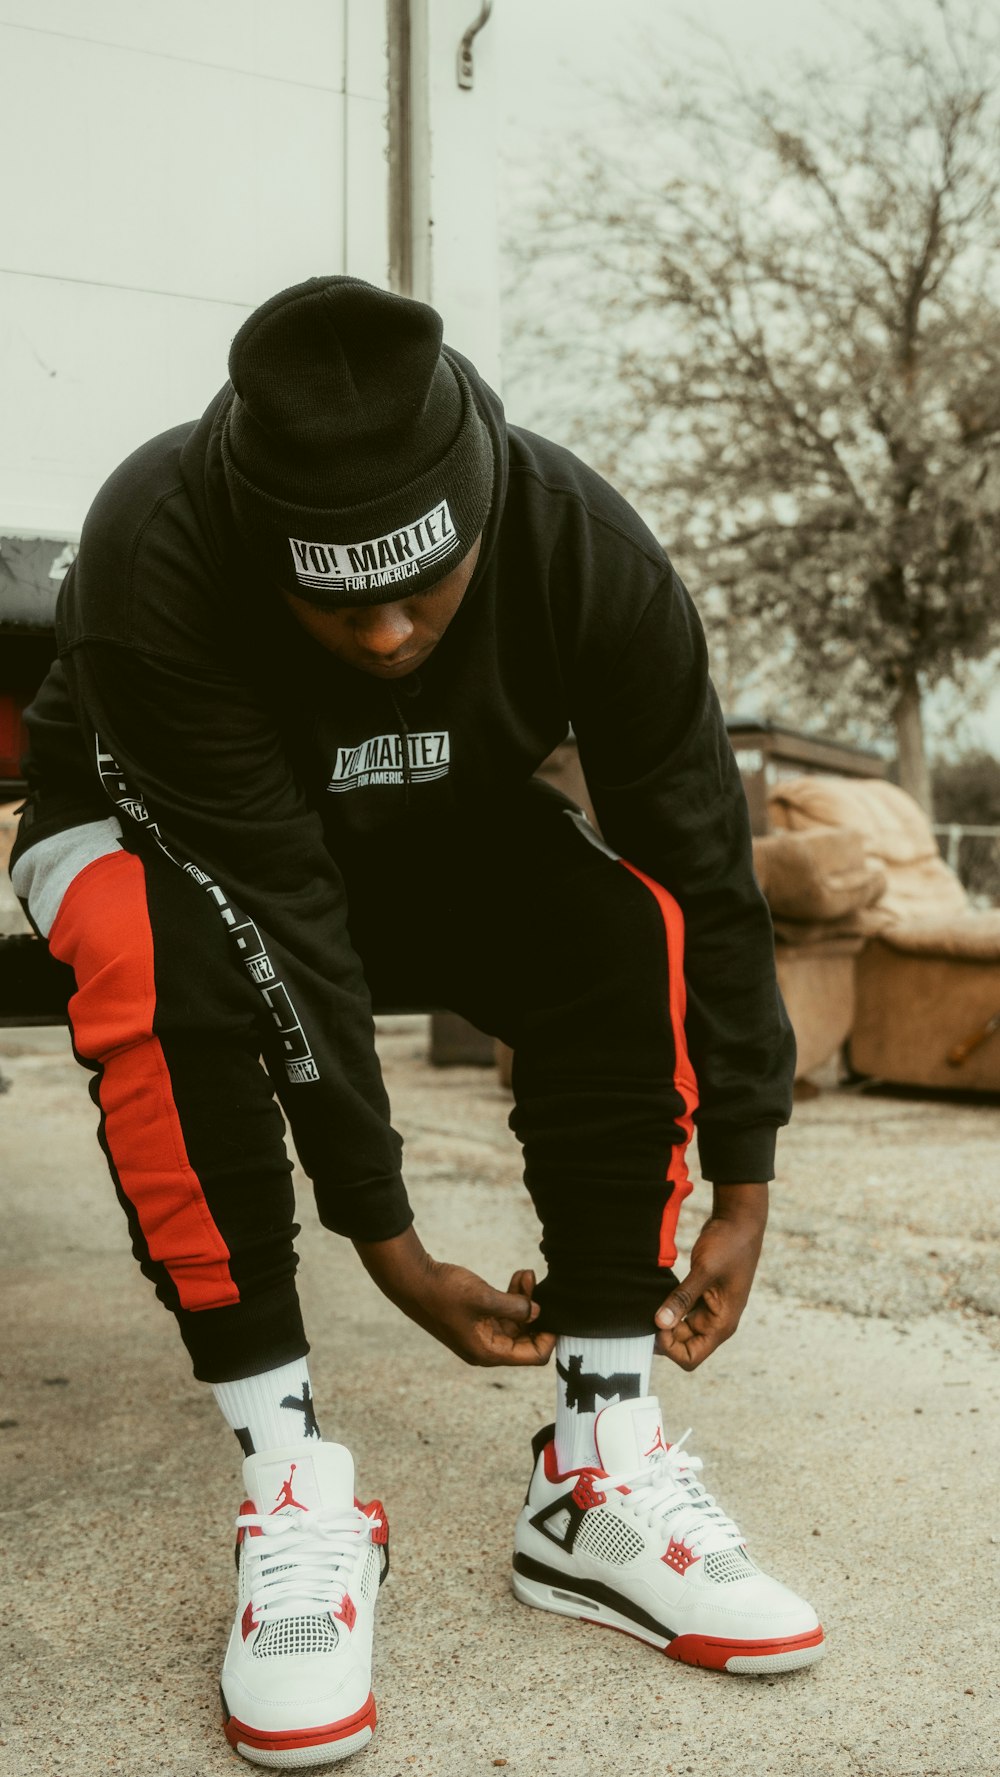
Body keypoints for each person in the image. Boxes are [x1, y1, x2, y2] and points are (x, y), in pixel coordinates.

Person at [10, 276, 823, 1768]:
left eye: (422, 592)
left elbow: (701, 859)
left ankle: (596, 1462)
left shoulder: (584, 547)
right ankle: (291, 1477)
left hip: (415, 825)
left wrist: (749, 1171)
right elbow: (274, 915)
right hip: (158, 833)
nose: (387, 636)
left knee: (611, 923)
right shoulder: (158, 549)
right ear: (267, 554)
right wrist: (391, 1243)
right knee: (160, 959)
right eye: (335, 599)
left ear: (483, 516)